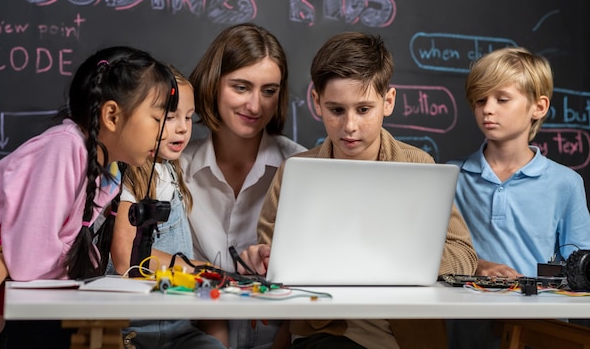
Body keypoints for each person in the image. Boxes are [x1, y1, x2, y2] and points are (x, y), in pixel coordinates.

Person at [240, 31, 478, 349]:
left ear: (388, 102)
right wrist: (264, 262)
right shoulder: (297, 172)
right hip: (323, 330)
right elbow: (276, 262)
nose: (350, 126)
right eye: (336, 110)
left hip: (404, 337)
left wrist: (403, 256)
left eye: (363, 110)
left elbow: (464, 256)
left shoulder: (419, 166)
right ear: (316, 103)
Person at [0, 46, 177, 349]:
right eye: (158, 119)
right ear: (112, 115)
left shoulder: (104, 170)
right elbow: (31, 266)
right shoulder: (64, 148)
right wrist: (2, 262)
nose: (165, 132)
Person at [446, 47, 590, 349]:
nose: (488, 109)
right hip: (463, 329)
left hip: (538, 331)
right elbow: (429, 251)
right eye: (480, 100)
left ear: (538, 107)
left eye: (502, 99)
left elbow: (581, 271)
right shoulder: (448, 176)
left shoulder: (566, 183)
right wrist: (477, 265)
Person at [180, 23, 306, 349]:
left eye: (269, 91)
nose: (255, 106)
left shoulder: (301, 168)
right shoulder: (176, 170)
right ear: (213, 84)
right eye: (241, 87)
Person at [110, 67, 227, 349]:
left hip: (177, 330)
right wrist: (189, 267)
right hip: (133, 330)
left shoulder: (168, 171)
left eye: (188, 117)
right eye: (170, 117)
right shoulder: (131, 175)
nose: (183, 127)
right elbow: (125, 257)